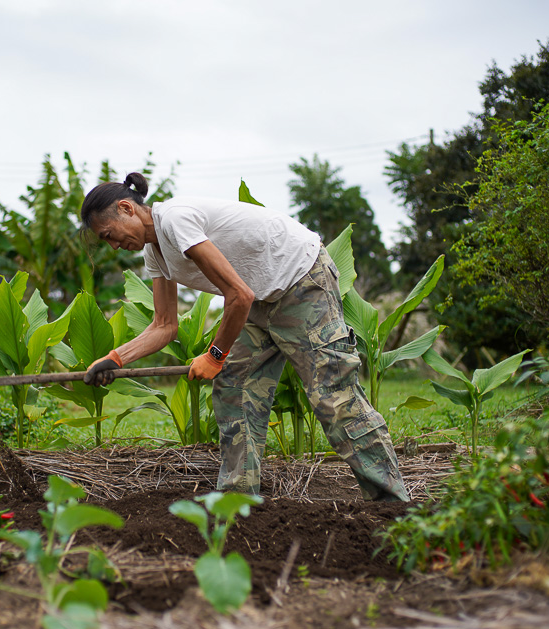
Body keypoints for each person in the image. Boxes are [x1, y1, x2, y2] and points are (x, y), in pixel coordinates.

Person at [79, 173, 409, 503]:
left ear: (126, 208)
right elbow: (164, 325)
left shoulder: (175, 219)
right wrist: (115, 358)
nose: (113, 245)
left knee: (333, 395)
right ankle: (238, 503)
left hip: (300, 279)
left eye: (110, 234)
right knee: (235, 390)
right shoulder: (155, 253)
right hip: (261, 298)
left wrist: (215, 355)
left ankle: (393, 505)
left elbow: (238, 294)